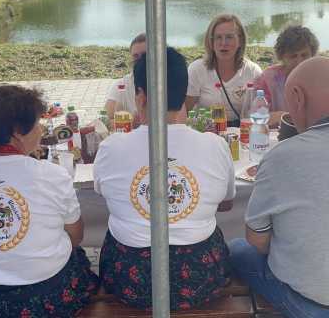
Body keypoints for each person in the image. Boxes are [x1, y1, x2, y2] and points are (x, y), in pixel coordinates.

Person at [94, 47, 235, 310]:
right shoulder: (215, 145)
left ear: (141, 95)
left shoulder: (112, 147)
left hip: (129, 278)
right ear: (184, 92)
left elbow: (103, 194)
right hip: (201, 274)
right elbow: (226, 203)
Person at [0, 85, 99, 317]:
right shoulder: (52, 174)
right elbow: (76, 236)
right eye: (38, 123)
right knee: (75, 256)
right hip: (43, 297)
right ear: (18, 131)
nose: (41, 130)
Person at [229, 57, 329, 317]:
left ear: (297, 96)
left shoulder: (284, 155)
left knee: (237, 249)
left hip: (311, 304)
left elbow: (258, 241)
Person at [185, 14, 262, 127]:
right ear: (211, 42)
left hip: (242, 134)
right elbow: (184, 112)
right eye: (218, 37)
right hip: (206, 132)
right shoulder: (196, 70)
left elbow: (259, 113)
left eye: (229, 37)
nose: (223, 43)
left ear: (240, 40)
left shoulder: (253, 71)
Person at [254, 25, 319, 127]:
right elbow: (257, 116)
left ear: (312, 54)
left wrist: (285, 117)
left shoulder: (321, 78)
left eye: (304, 55)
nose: (300, 61)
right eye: (293, 56)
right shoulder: (268, 79)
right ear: (282, 57)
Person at [105, 33, 146, 124]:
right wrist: (130, 123)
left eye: (144, 55)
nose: (140, 60)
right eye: (135, 56)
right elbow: (109, 118)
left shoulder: (170, 82)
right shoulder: (121, 85)